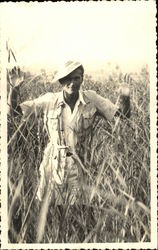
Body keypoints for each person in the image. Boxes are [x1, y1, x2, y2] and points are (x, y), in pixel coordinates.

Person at [8, 60, 131, 241]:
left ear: (82, 79)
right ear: (60, 81)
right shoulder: (49, 100)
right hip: (52, 166)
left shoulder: (91, 99)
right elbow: (15, 112)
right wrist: (14, 88)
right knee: (48, 215)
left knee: (78, 218)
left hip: (80, 166)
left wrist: (125, 97)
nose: (72, 83)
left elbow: (122, 115)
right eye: (67, 79)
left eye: (76, 78)